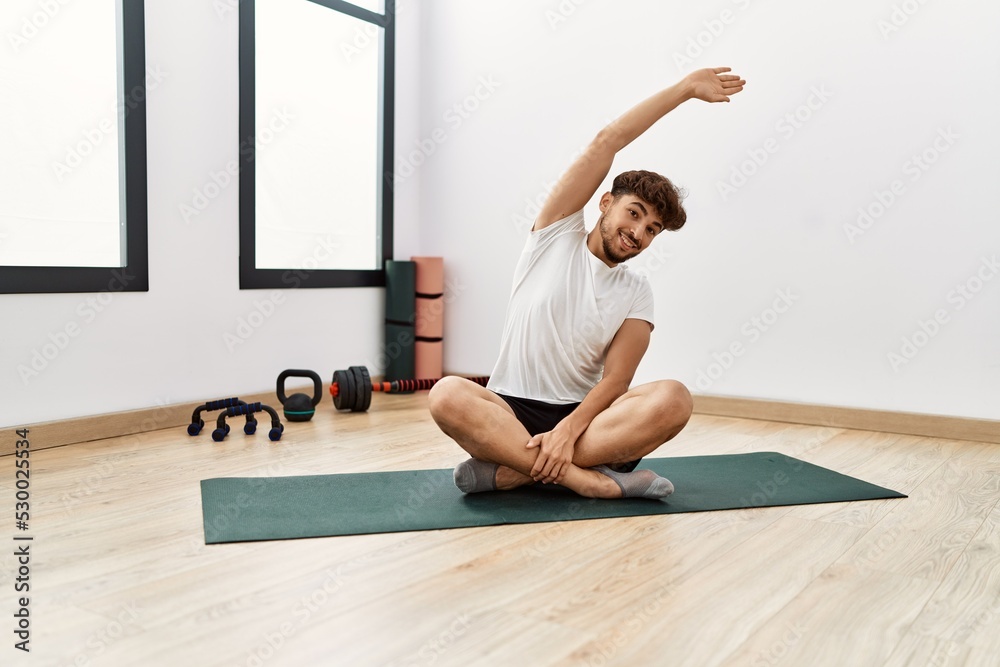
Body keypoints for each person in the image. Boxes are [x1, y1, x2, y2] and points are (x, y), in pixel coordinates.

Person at [428, 67, 746, 499]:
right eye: (634, 214)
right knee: (447, 394)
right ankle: (585, 480)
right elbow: (607, 140)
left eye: (652, 229)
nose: (639, 233)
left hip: (585, 421)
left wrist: (567, 429)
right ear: (606, 202)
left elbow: (616, 381)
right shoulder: (555, 235)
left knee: (675, 399)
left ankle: (509, 472)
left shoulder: (637, 292)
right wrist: (685, 90)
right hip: (508, 410)